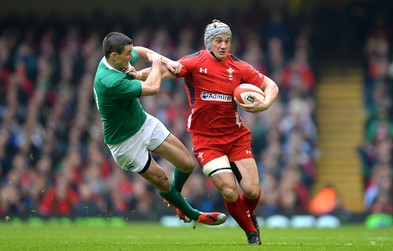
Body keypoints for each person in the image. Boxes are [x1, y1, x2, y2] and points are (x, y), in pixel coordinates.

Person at [140, 20, 279, 245]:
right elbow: (166, 70)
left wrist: (265, 104)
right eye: (219, 41)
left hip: (236, 136)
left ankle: (248, 215)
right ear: (209, 42)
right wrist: (137, 75)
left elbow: (271, 85)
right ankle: (252, 234)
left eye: (227, 41)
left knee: (252, 191)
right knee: (229, 189)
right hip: (206, 141)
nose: (224, 45)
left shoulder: (239, 67)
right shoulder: (194, 62)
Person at [92, 31, 227, 226]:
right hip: (124, 143)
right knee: (163, 180)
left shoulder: (114, 57)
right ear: (114, 56)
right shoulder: (109, 82)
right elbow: (153, 88)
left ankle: (174, 197)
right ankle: (195, 214)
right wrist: (156, 62)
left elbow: (141, 51)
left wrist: (167, 60)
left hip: (142, 122)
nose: (131, 57)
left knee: (187, 164)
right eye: (127, 54)